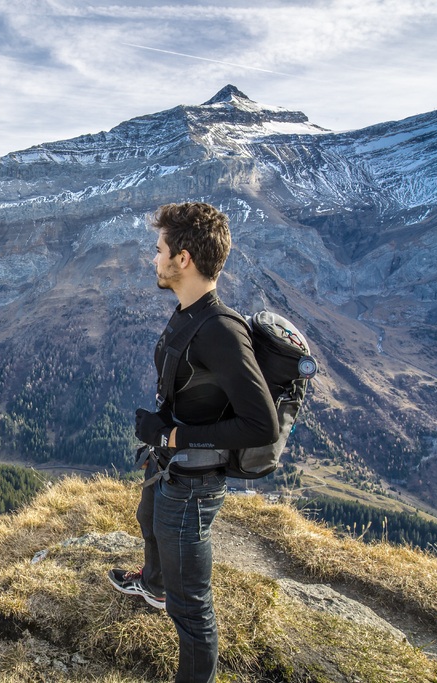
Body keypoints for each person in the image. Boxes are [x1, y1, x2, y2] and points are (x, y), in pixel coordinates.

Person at [108, 202, 279, 683]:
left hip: (194, 485)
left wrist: (173, 434)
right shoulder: (190, 313)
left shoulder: (221, 331)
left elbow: (261, 424)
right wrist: (164, 425)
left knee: (193, 611)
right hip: (171, 466)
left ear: (183, 259)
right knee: (148, 519)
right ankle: (153, 585)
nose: (153, 258)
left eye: (159, 249)